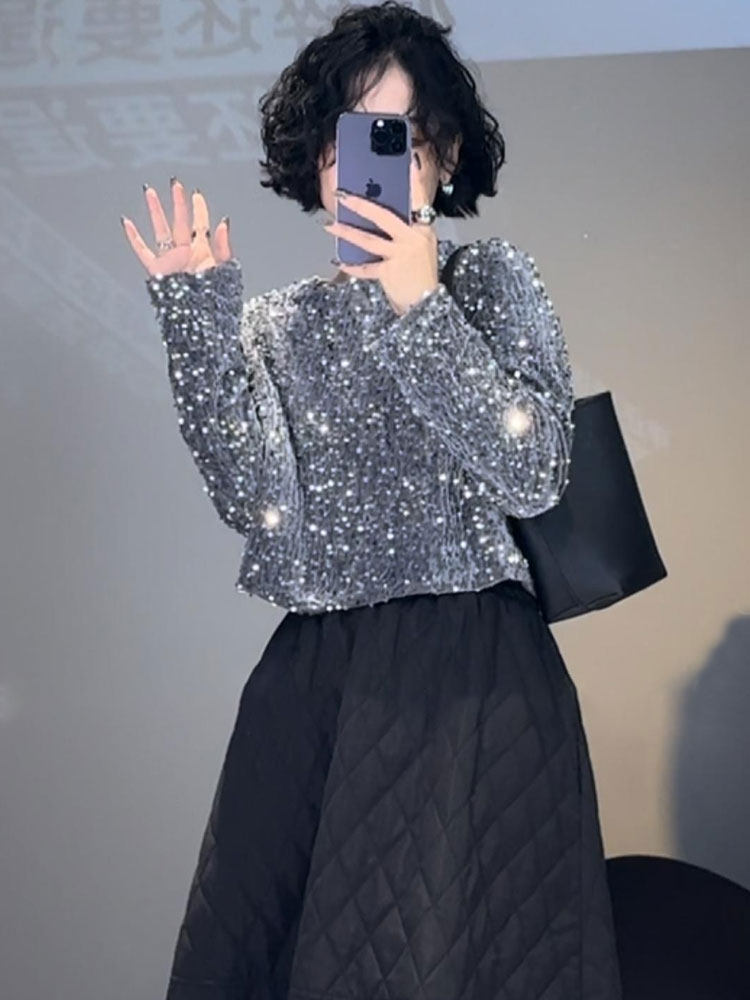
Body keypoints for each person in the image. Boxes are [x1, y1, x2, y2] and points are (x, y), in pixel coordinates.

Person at [121, 3, 623, 998]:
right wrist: (197, 322)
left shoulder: (489, 282)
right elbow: (257, 506)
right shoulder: (278, 323)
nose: (366, 169)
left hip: (471, 680)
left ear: (442, 156)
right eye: (346, 141)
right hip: (317, 681)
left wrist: (419, 305)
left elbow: (533, 471)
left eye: (397, 139)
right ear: (316, 161)